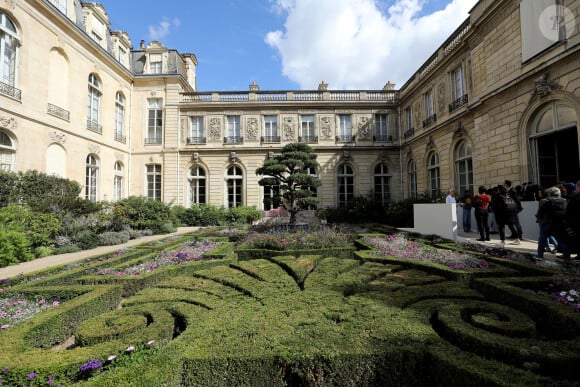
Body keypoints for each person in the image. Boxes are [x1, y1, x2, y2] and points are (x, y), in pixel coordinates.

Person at [537, 186, 571, 261]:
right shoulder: (565, 201)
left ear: (550, 194)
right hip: (561, 223)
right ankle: (567, 256)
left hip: (549, 223)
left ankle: (540, 255)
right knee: (563, 239)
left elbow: (540, 213)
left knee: (543, 238)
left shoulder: (548, 202)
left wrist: (540, 218)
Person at [565, 180, 580, 257]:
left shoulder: (574, 198)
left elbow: (569, 212)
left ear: (578, 187)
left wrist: (568, 223)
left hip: (576, 223)